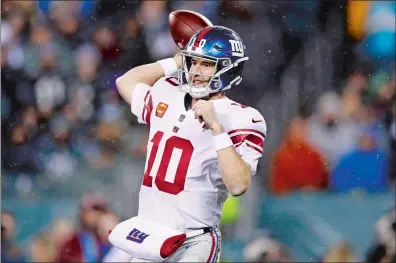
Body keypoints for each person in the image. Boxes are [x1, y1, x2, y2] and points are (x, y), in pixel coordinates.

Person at [116, 25, 267, 262]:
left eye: (206, 64)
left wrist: (218, 130)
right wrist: (173, 62)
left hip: (194, 240)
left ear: (228, 68)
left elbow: (238, 185)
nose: (196, 70)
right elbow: (126, 81)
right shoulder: (168, 91)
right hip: (151, 237)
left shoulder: (243, 118)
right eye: (193, 61)